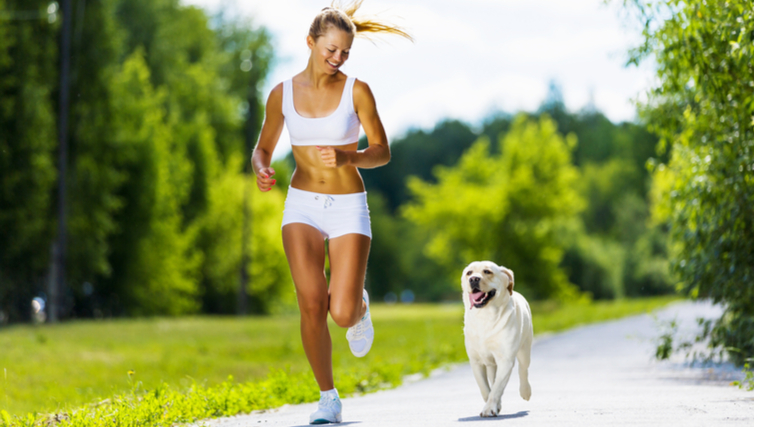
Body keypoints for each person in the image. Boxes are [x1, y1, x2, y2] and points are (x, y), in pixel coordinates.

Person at [251, 1, 411, 424]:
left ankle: (358, 303)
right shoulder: (281, 94)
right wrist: (261, 168)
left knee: (340, 313)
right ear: (310, 42)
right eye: (331, 50)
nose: (337, 58)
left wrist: (348, 157)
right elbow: (263, 146)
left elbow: (382, 151)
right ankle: (328, 398)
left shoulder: (358, 90)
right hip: (301, 204)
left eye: (344, 52)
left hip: (347, 207)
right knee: (310, 303)